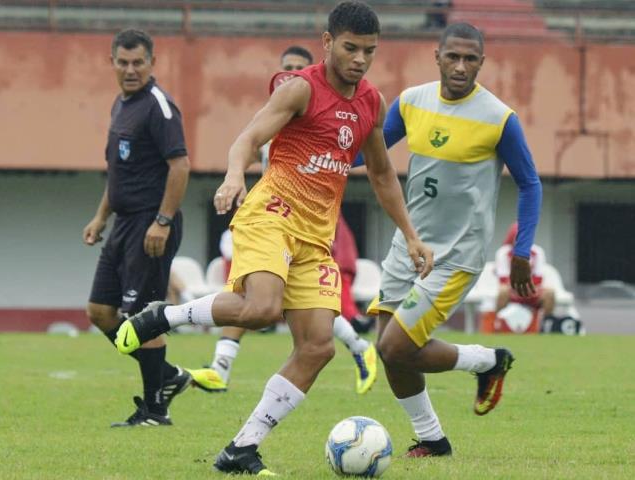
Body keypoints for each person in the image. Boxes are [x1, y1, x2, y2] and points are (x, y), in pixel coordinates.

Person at [116, 2, 433, 474]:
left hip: (315, 236)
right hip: (271, 214)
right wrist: (232, 177)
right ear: (327, 43)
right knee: (262, 307)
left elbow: (384, 174)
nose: (360, 59)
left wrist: (410, 235)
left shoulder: (371, 101)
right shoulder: (301, 88)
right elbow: (247, 137)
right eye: (350, 48)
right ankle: (165, 315)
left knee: (318, 347)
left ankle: (241, 449)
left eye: (369, 51)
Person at [365, 22, 542, 457]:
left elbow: (530, 184)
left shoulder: (499, 119)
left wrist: (521, 252)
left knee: (395, 347)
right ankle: (432, 438)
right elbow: (367, 154)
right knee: (389, 351)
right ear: (437, 56)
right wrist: (311, 152)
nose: (460, 66)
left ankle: (488, 360)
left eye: (470, 59)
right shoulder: (410, 102)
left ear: (482, 63)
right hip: (406, 246)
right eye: (453, 57)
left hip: (456, 256)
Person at [188, 44, 378, 397]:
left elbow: (345, 161)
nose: (291, 73)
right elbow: (258, 157)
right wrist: (239, 182)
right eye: (286, 67)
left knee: (304, 306)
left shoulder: (324, 113)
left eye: (298, 67)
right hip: (272, 218)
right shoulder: (273, 120)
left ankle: (356, 345)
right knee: (255, 294)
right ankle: (220, 367)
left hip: (312, 224)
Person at [83, 29, 192, 427]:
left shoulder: (159, 107)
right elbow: (119, 173)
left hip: (151, 224)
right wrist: (100, 216)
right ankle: (166, 377)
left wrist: (162, 221)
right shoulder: (120, 105)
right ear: (112, 62)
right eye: (123, 62)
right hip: (123, 224)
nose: (130, 69)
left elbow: (180, 167)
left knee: (144, 317)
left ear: (152, 64)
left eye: (138, 62)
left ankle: (155, 411)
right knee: (99, 311)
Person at [495, 222, 555, 318]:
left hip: (531, 289)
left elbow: (538, 278)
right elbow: (503, 279)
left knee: (549, 293)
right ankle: (500, 323)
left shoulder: (537, 251)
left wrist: (527, 287)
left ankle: (546, 324)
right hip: (512, 290)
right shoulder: (504, 252)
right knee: (503, 291)